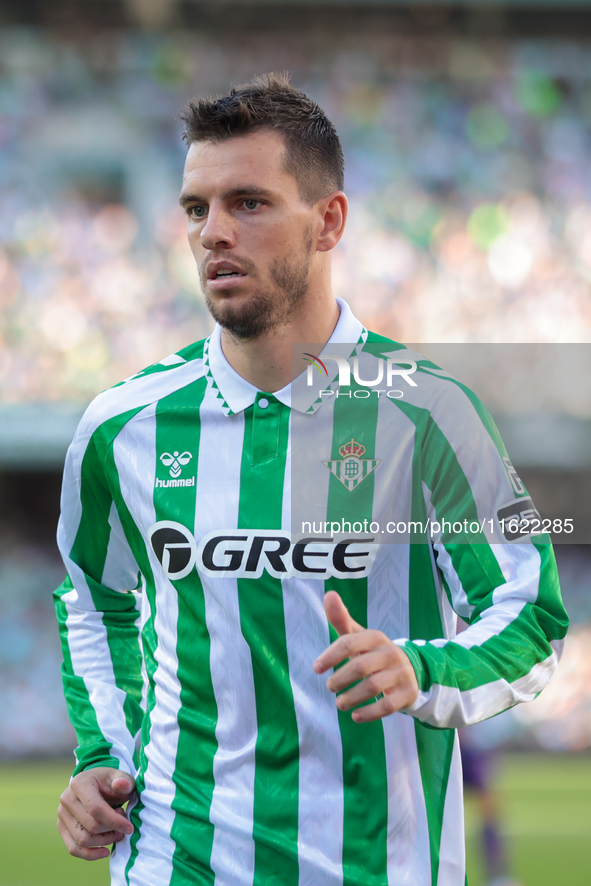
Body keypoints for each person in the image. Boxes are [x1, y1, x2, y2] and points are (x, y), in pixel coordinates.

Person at [54, 72, 568, 886]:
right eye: (197, 209)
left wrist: (422, 669)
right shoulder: (123, 425)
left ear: (327, 221)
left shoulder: (430, 414)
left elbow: (531, 619)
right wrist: (101, 757)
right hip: (175, 862)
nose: (213, 232)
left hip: (374, 864)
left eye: (248, 203)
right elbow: (95, 601)